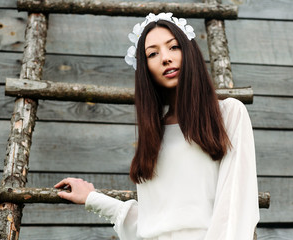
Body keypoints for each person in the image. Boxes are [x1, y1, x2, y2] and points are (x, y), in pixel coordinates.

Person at [55, 12, 259, 240]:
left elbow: (234, 206)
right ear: (146, 69)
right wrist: (93, 198)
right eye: (153, 53)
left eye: (173, 47)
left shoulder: (228, 113)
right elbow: (151, 224)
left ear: (189, 52)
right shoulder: (155, 134)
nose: (165, 58)